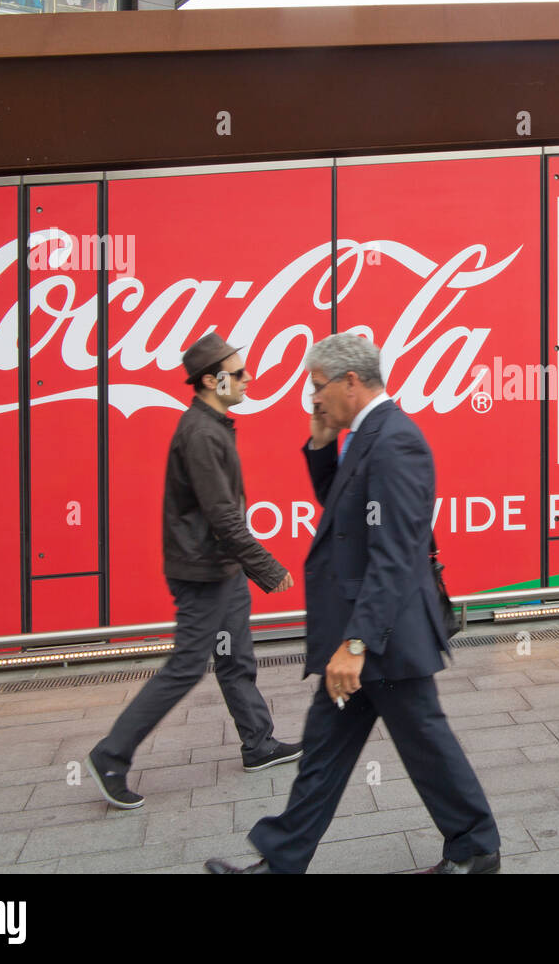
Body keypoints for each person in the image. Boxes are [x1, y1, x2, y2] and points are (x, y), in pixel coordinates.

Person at [206, 333, 501, 874]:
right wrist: (320, 443)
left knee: (424, 742)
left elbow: (394, 556)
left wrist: (357, 643)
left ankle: (476, 848)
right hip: (365, 632)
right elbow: (344, 513)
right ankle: (283, 859)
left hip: (383, 636)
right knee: (325, 750)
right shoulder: (367, 436)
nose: (313, 399)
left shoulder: (395, 441)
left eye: (318, 388)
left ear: (350, 381)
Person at [87, 333, 301, 809]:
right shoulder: (201, 433)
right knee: (186, 666)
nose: (248, 378)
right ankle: (111, 754)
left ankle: (259, 744)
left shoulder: (215, 425)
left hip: (219, 567)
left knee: (236, 658)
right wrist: (266, 567)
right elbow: (222, 514)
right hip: (202, 571)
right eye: (239, 372)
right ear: (211, 379)